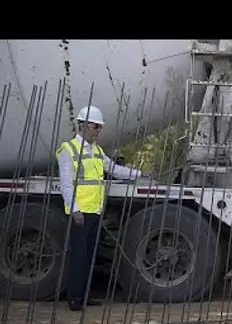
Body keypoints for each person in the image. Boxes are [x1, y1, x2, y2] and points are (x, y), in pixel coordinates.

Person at [56, 105, 146, 311]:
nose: (98, 131)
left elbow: (113, 169)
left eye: (99, 127)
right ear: (84, 125)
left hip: (95, 211)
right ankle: (75, 299)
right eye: (96, 126)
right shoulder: (68, 150)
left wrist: (138, 174)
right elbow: (66, 184)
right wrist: (75, 209)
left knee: (89, 256)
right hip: (80, 213)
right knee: (78, 257)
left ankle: (85, 296)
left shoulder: (96, 150)